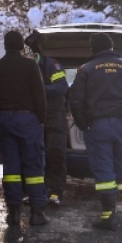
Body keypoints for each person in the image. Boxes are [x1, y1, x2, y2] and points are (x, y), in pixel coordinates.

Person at [68, 33, 122, 231]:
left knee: (104, 169)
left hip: (98, 126)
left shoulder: (86, 69)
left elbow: (75, 100)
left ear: (93, 49)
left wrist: (84, 124)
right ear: (112, 47)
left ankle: (109, 216)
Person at [0, 30, 47, 226]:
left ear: (5, 45)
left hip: (4, 120)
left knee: (11, 168)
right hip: (28, 119)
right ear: (22, 46)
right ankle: (37, 213)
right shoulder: (30, 65)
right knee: (33, 165)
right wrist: (41, 119)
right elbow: (39, 94)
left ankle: (13, 212)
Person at [30, 47, 69, 207]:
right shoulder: (29, 66)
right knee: (36, 156)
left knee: (55, 154)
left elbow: (62, 87)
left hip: (54, 118)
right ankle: (38, 193)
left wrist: (40, 90)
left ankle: (56, 193)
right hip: (36, 118)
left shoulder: (51, 64)